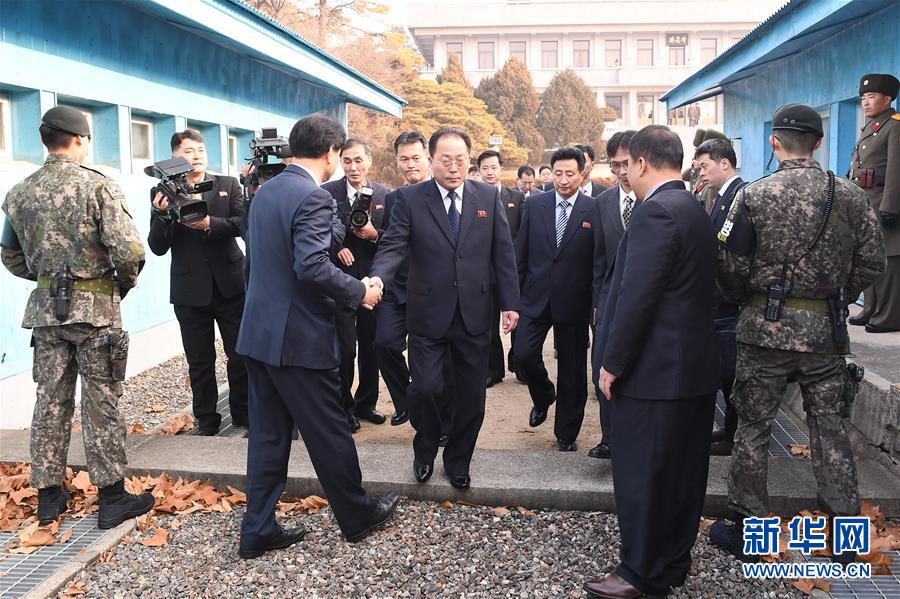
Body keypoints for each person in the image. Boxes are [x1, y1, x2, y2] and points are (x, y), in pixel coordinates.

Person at [709, 104, 885, 561]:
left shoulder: (752, 195)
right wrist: (837, 297)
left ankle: (752, 535)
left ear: (774, 142)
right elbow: (873, 262)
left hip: (761, 333)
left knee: (752, 428)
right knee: (830, 429)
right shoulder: (847, 194)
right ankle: (847, 541)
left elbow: (729, 267)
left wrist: (750, 297)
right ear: (820, 143)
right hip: (824, 335)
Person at [237, 114, 399, 558]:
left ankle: (257, 529)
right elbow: (310, 266)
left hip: (259, 334)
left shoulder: (265, 191)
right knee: (329, 431)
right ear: (330, 152)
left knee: (268, 436)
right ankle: (357, 514)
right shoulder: (312, 197)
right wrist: (359, 293)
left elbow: (254, 265)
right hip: (299, 339)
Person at [1, 106, 153, 529]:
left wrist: (48, 279)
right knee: (101, 402)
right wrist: (117, 285)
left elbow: (10, 256)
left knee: (49, 402)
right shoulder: (98, 187)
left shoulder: (19, 192)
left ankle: (49, 500)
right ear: (81, 140)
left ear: (47, 140)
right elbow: (129, 252)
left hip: (46, 315)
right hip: (96, 314)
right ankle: (112, 499)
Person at [584, 125, 719, 598]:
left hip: (655, 374)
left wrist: (612, 363)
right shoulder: (693, 208)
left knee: (643, 475)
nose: (625, 175)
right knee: (682, 476)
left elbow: (636, 298)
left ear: (642, 163)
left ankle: (639, 572)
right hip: (692, 372)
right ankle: (672, 562)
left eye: (627, 166)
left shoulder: (655, 212)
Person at [370, 127, 520, 490]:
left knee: (472, 396)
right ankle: (424, 451)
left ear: (469, 160)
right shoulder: (409, 198)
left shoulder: (486, 195)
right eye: (445, 160)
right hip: (427, 311)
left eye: (460, 160)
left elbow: (502, 252)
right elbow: (393, 245)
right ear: (431, 160)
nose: (453, 167)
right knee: (425, 388)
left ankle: (458, 460)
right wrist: (377, 278)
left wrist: (510, 303)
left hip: (474, 312)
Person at [148, 129, 248, 435]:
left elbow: (242, 224)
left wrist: (210, 225)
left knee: (241, 354)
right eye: (190, 151)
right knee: (199, 361)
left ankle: (244, 414)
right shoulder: (162, 190)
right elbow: (157, 246)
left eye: (201, 150)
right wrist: (161, 215)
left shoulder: (227, 184)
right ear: (175, 157)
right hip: (190, 290)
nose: (198, 155)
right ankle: (207, 421)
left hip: (230, 285)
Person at [514, 147, 602, 451]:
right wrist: (513, 297)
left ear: (582, 173)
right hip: (535, 297)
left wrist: (596, 299)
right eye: (558, 173)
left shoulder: (595, 208)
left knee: (573, 371)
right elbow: (521, 255)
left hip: (575, 301)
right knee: (523, 355)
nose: (563, 180)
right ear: (550, 174)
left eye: (570, 174)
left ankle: (567, 432)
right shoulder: (535, 205)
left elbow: (598, 259)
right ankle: (543, 395)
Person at [375, 131, 455, 436]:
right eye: (404, 158)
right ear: (396, 161)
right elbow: (391, 243)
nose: (410, 164)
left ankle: (444, 425)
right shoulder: (394, 198)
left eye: (416, 158)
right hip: (397, 289)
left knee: (441, 366)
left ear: (429, 159)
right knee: (383, 343)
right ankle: (407, 403)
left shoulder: (448, 195)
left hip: (435, 294)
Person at [322, 139, 391, 431]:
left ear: (370, 161)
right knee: (345, 350)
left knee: (371, 347)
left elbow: (394, 238)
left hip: (374, 282)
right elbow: (317, 233)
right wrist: (336, 247)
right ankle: (344, 407)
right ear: (340, 162)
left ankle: (367, 403)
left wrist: (374, 233)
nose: (353, 167)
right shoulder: (326, 193)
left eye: (359, 160)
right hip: (341, 283)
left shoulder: (385, 195)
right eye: (347, 161)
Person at [694, 137, 746, 456]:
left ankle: (733, 435)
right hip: (719, 298)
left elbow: (730, 247)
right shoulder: (721, 196)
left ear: (724, 163)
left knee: (730, 373)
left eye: (705, 166)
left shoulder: (739, 196)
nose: (700, 172)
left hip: (729, 300)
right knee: (725, 371)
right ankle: (729, 430)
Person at [588, 129, 637, 460]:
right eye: (615, 164)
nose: (621, 171)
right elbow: (597, 260)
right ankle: (609, 438)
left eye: (627, 163)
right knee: (601, 371)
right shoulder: (601, 203)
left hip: (643, 302)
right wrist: (596, 304)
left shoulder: (656, 199)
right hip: (608, 302)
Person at [848, 73, 900, 333]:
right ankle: (870, 309)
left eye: (871, 97)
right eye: (863, 98)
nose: (865, 102)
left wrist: (890, 206)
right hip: (866, 202)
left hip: (883, 203)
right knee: (868, 257)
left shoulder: (895, 125)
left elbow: (895, 170)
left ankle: (887, 316)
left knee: (889, 260)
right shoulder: (870, 126)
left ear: (888, 99)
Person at [477, 149, 525, 388]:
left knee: (516, 317)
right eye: (484, 167)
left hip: (512, 270)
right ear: (478, 171)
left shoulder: (516, 197)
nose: (489, 172)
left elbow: (523, 235)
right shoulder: (474, 198)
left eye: (493, 167)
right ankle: (492, 370)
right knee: (487, 323)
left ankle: (518, 364)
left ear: (500, 169)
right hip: (485, 272)